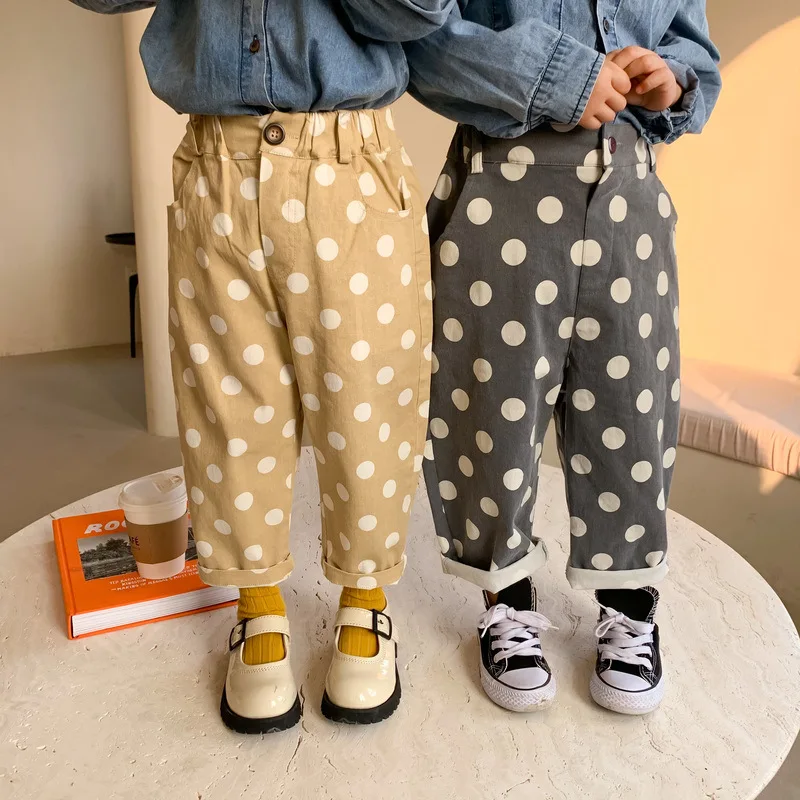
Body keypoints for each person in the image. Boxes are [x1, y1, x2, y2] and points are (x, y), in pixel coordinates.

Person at [70, 0, 453, 732]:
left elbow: (422, 11)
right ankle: (259, 607)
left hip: (352, 166)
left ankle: (365, 600)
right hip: (215, 165)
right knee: (229, 406)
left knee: (367, 404)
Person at [405, 1, 721, 714]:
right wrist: (556, 77)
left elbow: (697, 57)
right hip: (501, 183)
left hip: (630, 192)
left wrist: (671, 78)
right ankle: (506, 598)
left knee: (634, 409)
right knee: (490, 409)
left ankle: (630, 603)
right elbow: (420, 44)